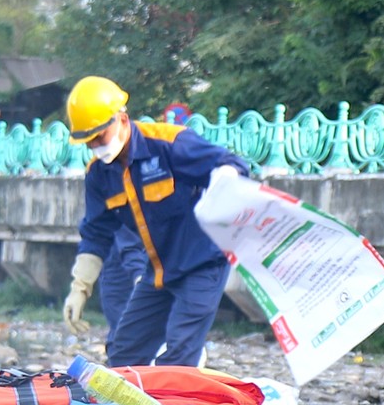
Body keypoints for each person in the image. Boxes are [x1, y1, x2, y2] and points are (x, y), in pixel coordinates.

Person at [62, 75, 250, 368]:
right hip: (159, 272)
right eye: (88, 142)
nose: (96, 146)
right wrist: (80, 287)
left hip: (203, 263)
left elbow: (232, 164)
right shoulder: (99, 173)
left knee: (178, 357)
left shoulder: (169, 143)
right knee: (123, 355)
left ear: (122, 119)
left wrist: (223, 178)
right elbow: (96, 233)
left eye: (100, 136)